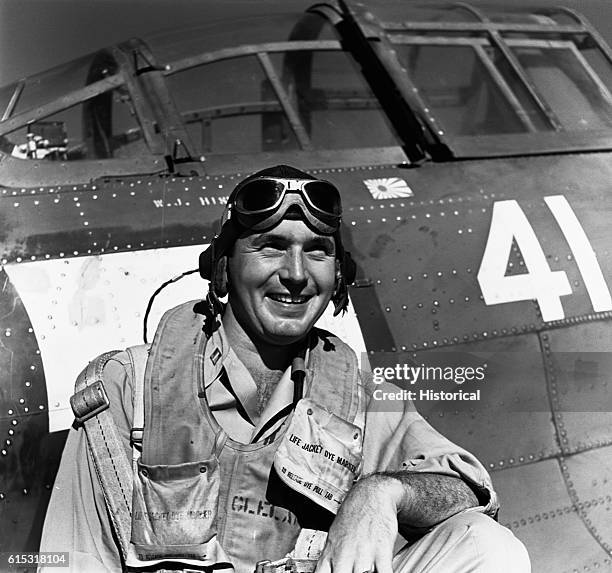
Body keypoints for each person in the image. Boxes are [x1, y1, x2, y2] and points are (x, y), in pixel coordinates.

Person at [40, 165, 530, 573]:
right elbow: (73, 559)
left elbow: (467, 489)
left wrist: (383, 493)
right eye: (271, 245)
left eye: (317, 250)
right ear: (224, 266)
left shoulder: (358, 394)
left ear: (338, 275)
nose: (296, 274)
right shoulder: (129, 388)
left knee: (487, 546)